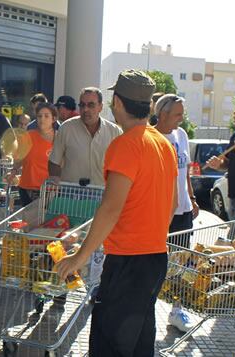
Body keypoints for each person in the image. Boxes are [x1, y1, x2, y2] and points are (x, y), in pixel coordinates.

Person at [56, 69, 177, 357]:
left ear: (118, 103)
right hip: (155, 259)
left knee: (109, 345)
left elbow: (111, 208)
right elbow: (171, 206)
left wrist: (79, 257)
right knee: (139, 343)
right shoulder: (162, 143)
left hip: (127, 264)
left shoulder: (125, 145)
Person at [153, 93, 200, 333]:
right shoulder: (152, 138)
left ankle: (176, 310)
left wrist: (191, 198)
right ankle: (147, 307)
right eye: (178, 114)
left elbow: (186, 172)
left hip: (182, 213)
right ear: (162, 114)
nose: (182, 119)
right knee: (156, 265)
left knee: (181, 265)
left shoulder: (181, 135)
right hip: (159, 215)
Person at [48, 87, 122, 186]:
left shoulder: (115, 132)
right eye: (82, 105)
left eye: (91, 105)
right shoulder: (66, 128)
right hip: (71, 196)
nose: (85, 109)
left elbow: (122, 167)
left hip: (102, 196)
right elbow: (54, 162)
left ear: (100, 107)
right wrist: (55, 180)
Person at [13, 102, 56, 206]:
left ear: (53, 119)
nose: (42, 119)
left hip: (50, 190)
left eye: (46, 116)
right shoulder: (27, 136)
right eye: (39, 116)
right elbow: (18, 159)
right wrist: (13, 171)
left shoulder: (60, 139)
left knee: (48, 221)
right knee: (29, 221)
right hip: (27, 188)